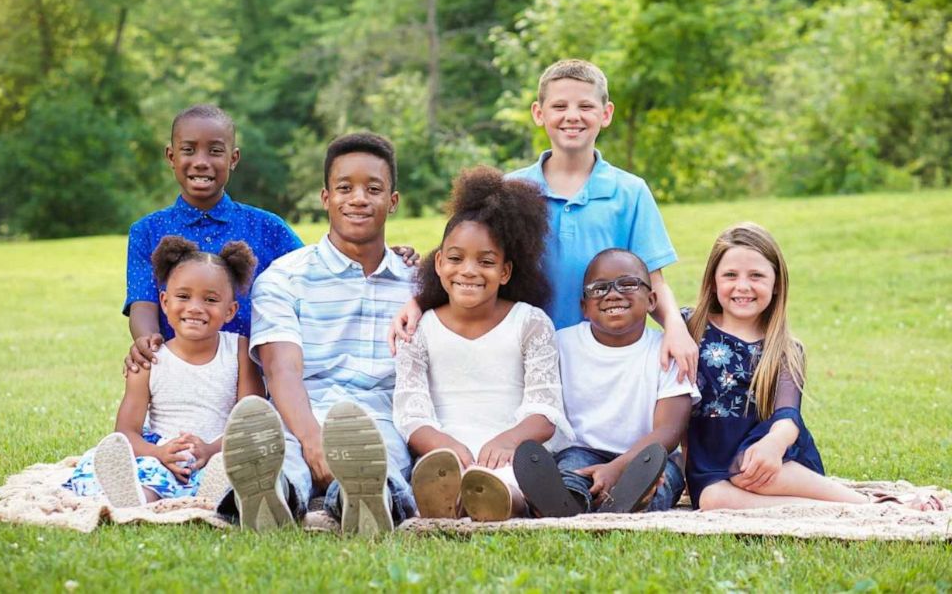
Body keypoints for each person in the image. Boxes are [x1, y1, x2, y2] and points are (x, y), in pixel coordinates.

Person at [391, 59, 699, 381]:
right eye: (559, 106)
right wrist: (418, 302)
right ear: (539, 113)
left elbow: (654, 279)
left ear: (606, 114)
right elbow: (468, 260)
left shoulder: (630, 192)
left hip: (604, 357)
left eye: (586, 106)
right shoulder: (510, 189)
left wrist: (675, 328)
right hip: (520, 356)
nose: (572, 116)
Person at [218, 132, 417, 535]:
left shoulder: (417, 284)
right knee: (281, 457)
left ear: (392, 202)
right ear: (326, 198)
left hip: (380, 417)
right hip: (299, 415)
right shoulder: (284, 278)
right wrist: (313, 442)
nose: (358, 198)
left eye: (373, 189)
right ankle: (268, 498)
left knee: (381, 459)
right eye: (344, 188)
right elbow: (281, 372)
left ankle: (365, 500)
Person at [685, 223, 943, 511]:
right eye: (730, 275)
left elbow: (788, 416)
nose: (742, 286)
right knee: (711, 501)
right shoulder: (690, 328)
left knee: (752, 468)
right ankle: (839, 509)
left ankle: (870, 505)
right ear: (712, 282)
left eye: (756, 275)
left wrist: (774, 445)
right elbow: (643, 307)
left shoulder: (784, 349)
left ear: (777, 284)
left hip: (772, 455)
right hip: (710, 462)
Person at [392, 166, 574, 522]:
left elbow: (545, 409)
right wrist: (444, 445)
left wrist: (508, 441)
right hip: (445, 451)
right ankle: (448, 499)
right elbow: (411, 412)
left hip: (513, 450)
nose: (470, 270)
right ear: (440, 263)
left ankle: (501, 501)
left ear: (505, 271)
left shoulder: (530, 322)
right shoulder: (421, 328)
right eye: (456, 259)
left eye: (486, 262)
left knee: (508, 481)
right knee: (443, 475)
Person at [65, 236, 264, 505]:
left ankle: (212, 491)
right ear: (164, 301)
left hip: (221, 448)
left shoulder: (239, 351)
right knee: (151, 472)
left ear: (230, 311)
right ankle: (134, 497)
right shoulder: (150, 360)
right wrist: (159, 453)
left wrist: (211, 449)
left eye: (210, 300)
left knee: (240, 465)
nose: (195, 307)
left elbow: (250, 420)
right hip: (162, 451)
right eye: (183, 296)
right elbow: (125, 433)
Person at [512, 248, 700, 517]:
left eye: (627, 284)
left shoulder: (666, 350)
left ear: (651, 299)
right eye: (599, 289)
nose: (613, 294)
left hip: (647, 457)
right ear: (584, 307)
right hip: (582, 451)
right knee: (570, 472)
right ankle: (567, 501)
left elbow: (670, 430)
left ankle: (636, 501)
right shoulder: (562, 344)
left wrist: (619, 467)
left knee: (662, 478)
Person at [122, 104, 304, 374]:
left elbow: (313, 273)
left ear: (234, 158)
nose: (201, 161)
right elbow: (142, 302)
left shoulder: (268, 227)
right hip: (178, 370)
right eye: (188, 150)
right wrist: (146, 339)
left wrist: (384, 254)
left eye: (216, 151)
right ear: (171, 157)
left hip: (254, 372)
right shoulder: (147, 231)